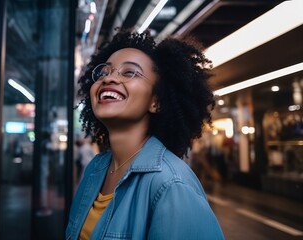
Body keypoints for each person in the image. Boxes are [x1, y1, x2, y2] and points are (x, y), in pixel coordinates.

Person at [66, 28, 224, 239]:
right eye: (104, 72)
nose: (108, 79)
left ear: (156, 102)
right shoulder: (95, 168)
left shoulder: (172, 184)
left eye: (130, 72)